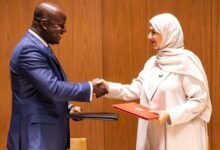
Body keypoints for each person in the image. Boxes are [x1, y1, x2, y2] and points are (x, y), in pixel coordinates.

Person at [102, 13, 212, 150]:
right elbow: (136, 89)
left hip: (178, 135)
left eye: (153, 32)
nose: (149, 37)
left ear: (168, 33)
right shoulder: (152, 62)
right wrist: (107, 88)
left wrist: (170, 114)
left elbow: (199, 100)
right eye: (150, 32)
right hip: (153, 133)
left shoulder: (187, 61)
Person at [7, 2, 108, 150]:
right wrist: (90, 87)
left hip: (44, 137)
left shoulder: (39, 47)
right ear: (44, 24)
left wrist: (68, 107)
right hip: (35, 139)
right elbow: (53, 88)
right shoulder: (29, 50)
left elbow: (41, 91)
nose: (64, 30)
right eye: (60, 26)